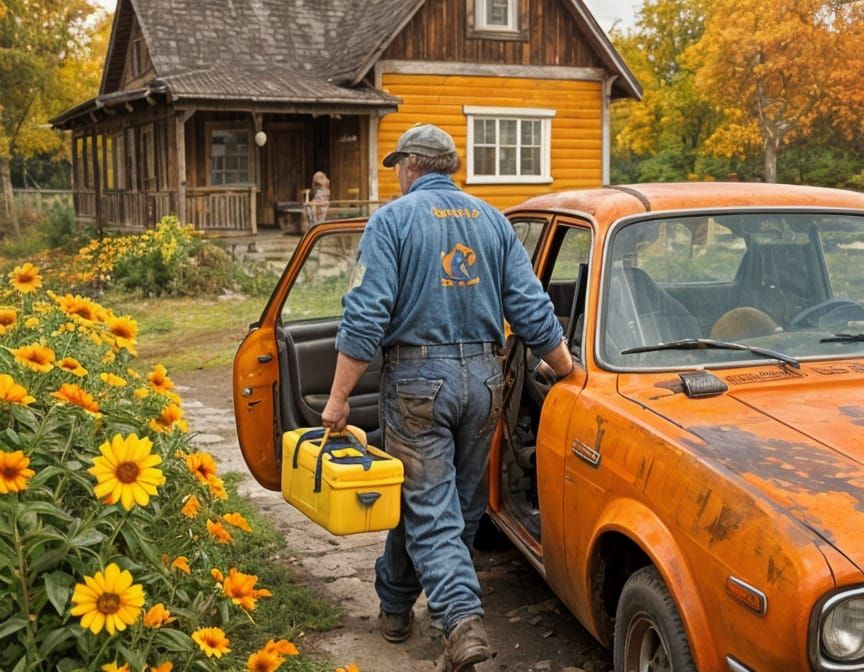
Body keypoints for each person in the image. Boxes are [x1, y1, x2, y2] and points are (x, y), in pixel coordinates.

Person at [321, 124, 573, 671]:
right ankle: (393, 604)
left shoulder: (391, 221)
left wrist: (339, 399)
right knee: (446, 509)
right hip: (485, 380)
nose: (396, 175)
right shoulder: (492, 221)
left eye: (397, 166)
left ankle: (460, 622)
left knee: (430, 510)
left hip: (418, 385)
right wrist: (566, 367)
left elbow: (365, 316)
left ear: (413, 165)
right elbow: (530, 306)